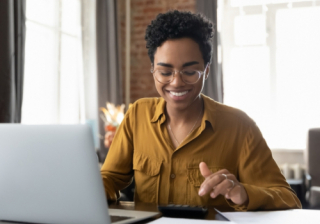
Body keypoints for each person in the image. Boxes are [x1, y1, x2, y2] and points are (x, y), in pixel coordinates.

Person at [100, 10, 301, 211]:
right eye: (165, 72)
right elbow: (110, 178)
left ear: (206, 71)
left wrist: (243, 193)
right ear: (153, 69)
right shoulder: (137, 115)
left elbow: (289, 199)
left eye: (189, 72)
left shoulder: (240, 127)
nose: (176, 82)